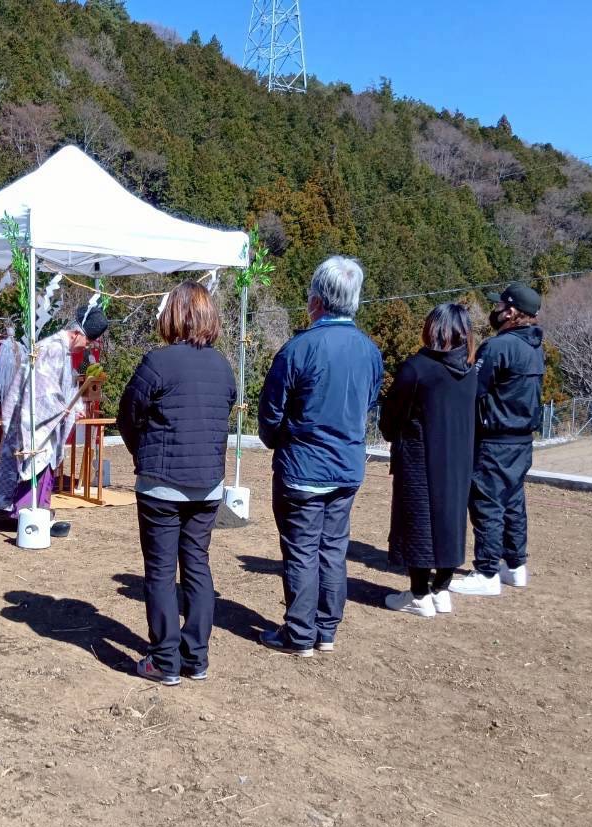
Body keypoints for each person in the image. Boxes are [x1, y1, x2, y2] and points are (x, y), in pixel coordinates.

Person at [256, 256, 383, 657]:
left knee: (302, 549)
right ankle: (326, 630)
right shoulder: (369, 350)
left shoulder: (299, 349)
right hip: (346, 466)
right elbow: (370, 401)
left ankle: (298, 633)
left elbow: (271, 413)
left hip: (303, 467)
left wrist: (278, 440)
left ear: (316, 300)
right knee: (332, 548)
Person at [117, 281, 237, 685]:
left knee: (162, 571)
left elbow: (128, 416)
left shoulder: (158, 362)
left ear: (173, 315)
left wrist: (143, 456)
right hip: (206, 487)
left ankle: (165, 659)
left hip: (162, 487)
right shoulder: (223, 366)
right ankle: (195, 657)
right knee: (198, 567)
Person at [379, 303, 478, 618]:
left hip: (420, 456)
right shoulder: (473, 371)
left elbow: (391, 416)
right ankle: (441, 589)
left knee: (418, 522)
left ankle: (419, 594)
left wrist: (393, 432)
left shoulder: (417, 368)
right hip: (460, 458)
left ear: (432, 330)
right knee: (451, 520)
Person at [451, 283, 545, 596]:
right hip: (522, 439)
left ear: (513, 312)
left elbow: (474, 390)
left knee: (487, 502)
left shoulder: (499, 346)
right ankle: (515, 565)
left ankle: (487, 571)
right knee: (513, 501)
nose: (496, 311)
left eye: (500, 306)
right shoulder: (534, 346)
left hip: (495, 439)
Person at [0, 306, 109, 530]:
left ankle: (39, 510)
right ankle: (24, 514)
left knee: (44, 464)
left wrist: (75, 407)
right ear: (77, 334)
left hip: (49, 421)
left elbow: (63, 386)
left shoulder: (62, 351)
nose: (87, 346)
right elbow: (40, 391)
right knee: (35, 459)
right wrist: (62, 408)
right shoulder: (52, 348)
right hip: (35, 420)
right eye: (87, 340)